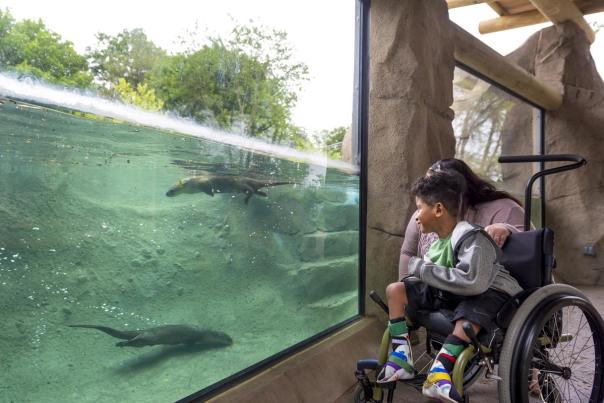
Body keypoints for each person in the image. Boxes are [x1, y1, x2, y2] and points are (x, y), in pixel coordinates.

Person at [377, 171, 522, 403]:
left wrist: (423, 269)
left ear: (438, 209)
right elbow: (440, 278)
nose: (415, 216)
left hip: (490, 290)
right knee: (396, 290)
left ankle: (440, 370)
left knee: (469, 313)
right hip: (458, 290)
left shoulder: (474, 240)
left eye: (419, 208)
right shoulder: (439, 242)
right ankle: (401, 357)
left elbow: (473, 282)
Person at [399, 158, 525, 280]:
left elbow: (529, 246)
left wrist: (507, 229)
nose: (427, 189)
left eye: (434, 184)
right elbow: (408, 253)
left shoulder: (504, 208)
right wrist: (406, 286)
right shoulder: (423, 216)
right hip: (439, 291)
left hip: (490, 289)